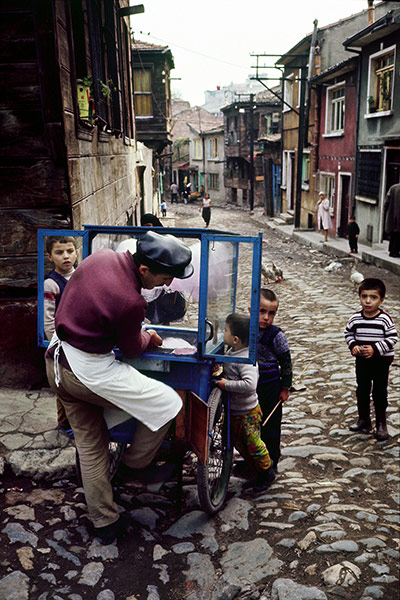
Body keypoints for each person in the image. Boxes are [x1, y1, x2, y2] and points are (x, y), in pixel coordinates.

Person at [45, 230, 193, 544]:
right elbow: (132, 348)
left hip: (56, 362)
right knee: (167, 402)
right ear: (144, 270)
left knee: (90, 444)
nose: (167, 284)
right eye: (165, 277)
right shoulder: (131, 301)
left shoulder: (100, 257)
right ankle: (135, 465)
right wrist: (148, 336)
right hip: (87, 372)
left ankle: (105, 522)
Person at [215, 313, 276, 492]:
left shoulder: (246, 361)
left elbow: (250, 384)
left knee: (253, 443)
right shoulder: (233, 352)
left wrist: (227, 385)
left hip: (247, 412)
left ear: (235, 339)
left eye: (224, 330)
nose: (222, 333)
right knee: (239, 443)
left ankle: (267, 471)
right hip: (235, 411)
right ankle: (255, 467)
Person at [345, 278, 398, 442]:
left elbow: (392, 338)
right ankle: (364, 420)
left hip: (381, 362)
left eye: (373, 297)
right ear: (359, 297)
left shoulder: (384, 319)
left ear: (381, 300)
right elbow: (348, 334)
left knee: (379, 392)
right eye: (364, 296)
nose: (368, 301)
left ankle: (381, 424)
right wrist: (353, 345)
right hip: (362, 361)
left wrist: (375, 349)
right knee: (362, 390)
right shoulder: (355, 318)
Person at [44, 236, 78, 437]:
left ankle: (78, 420)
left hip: (79, 339)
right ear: (50, 257)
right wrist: (53, 344)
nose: (66, 256)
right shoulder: (51, 284)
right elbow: (48, 319)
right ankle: (64, 423)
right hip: (60, 342)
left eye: (70, 251)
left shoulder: (81, 275)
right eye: (59, 252)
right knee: (61, 384)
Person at [255, 289, 292, 472]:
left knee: (270, 426)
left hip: (270, 386)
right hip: (251, 387)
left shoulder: (276, 335)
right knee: (253, 425)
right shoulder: (247, 331)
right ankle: (254, 458)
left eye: (271, 313)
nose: (266, 317)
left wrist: (285, 388)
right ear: (251, 309)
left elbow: (286, 362)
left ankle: (271, 464)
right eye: (261, 311)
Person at [384, 182, 400, 257]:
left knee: (393, 234)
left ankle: (392, 251)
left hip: (392, 215)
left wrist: (387, 212)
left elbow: (386, 202)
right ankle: (395, 252)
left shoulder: (393, 188)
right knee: (398, 235)